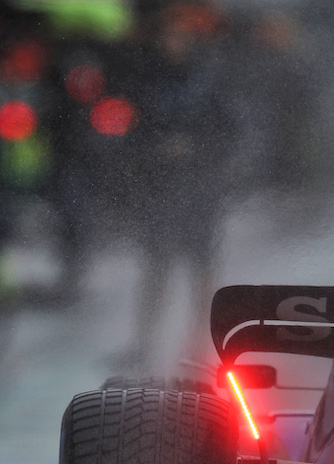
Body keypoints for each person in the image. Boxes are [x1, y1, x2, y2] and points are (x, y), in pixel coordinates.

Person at [126, 3, 238, 365]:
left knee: (202, 269)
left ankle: (201, 345)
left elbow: (232, 133)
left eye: (179, 36)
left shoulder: (210, 80)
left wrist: (197, 151)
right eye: (167, 36)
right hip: (158, 189)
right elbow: (128, 137)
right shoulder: (144, 83)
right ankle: (144, 344)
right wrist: (154, 153)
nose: (173, 42)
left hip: (200, 188)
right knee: (157, 266)